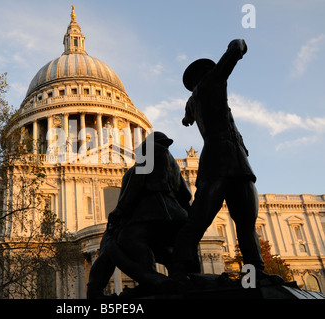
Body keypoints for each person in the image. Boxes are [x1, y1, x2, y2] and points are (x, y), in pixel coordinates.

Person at [174, 39, 282, 283]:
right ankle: (256, 271)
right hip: (227, 159)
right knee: (243, 224)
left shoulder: (193, 101)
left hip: (223, 160)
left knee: (201, 219)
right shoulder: (212, 82)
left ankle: (180, 268)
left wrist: (187, 117)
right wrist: (240, 44)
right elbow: (234, 51)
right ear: (204, 74)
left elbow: (187, 117)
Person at [86, 131, 193, 298]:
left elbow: (136, 183)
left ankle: (150, 282)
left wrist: (120, 210)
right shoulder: (174, 165)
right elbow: (186, 195)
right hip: (175, 217)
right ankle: (175, 277)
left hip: (153, 213)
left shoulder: (149, 154)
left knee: (124, 241)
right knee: (164, 251)